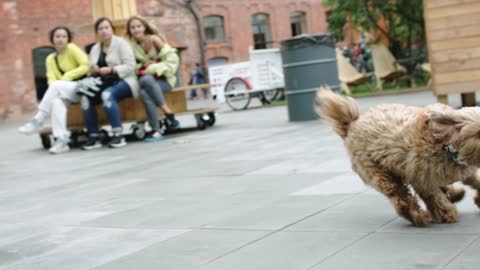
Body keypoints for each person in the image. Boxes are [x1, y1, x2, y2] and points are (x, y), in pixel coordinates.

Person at [18, 26, 89, 154]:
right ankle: (61, 140)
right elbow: (51, 79)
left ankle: (38, 119)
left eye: (63, 36)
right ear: (52, 39)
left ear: (68, 39)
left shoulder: (72, 49)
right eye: (57, 36)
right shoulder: (50, 58)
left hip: (80, 89)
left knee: (56, 86)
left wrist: (67, 77)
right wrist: (59, 84)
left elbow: (86, 65)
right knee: (56, 102)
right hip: (63, 91)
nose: (60, 39)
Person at [80, 17, 139, 150]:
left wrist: (112, 69)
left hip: (124, 80)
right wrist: (93, 70)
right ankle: (93, 136)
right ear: (97, 32)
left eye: (106, 28)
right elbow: (90, 70)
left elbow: (131, 66)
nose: (104, 31)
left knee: (107, 95)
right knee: (85, 98)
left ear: (112, 29)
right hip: (103, 82)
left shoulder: (122, 43)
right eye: (100, 29)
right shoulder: (95, 48)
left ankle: (118, 134)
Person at [126, 15, 180, 142]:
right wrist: (145, 66)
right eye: (132, 27)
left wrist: (154, 65)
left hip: (165, 79)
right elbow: (133, 66)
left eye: (138, 26)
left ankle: (159, 125)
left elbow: (172, 59)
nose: (136, 29)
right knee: (145, 90)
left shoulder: (154, 39)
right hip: (149, 81)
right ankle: (164, 120)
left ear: (144, 27)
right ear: (129, 31)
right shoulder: (132, 46)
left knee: (145, 83)